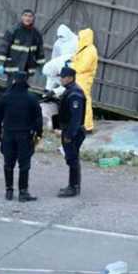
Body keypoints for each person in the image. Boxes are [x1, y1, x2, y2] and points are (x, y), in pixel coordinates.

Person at [0, 73, 42, 201]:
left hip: (8, 134)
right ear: (26, 81)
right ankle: (23, 192)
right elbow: (38, 119)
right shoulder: (32, 98)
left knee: (8, 163)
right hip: (25, 136)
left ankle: (9, 191)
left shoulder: (5, 97)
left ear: (14, 80)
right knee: (24, 165)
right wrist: (39, 134)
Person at [57, 67, 86, 197]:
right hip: (69, 130)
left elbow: (76, 118)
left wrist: (69, 134)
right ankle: (74, 185)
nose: (61, 79)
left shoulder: (75, 94)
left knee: (72, 159)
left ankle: (73, 187)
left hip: (73, 131)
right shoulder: (70, 91)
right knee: (71, 158)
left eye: (63, 77)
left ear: (70, 78)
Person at [0, 9, 46, 82]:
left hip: (27, 69)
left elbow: (40, 52)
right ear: (22, 17)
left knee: (21, 90)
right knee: (11, 89)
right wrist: (0, 64)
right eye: (25, 15)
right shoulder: (13, 30)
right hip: (13, 68)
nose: (27, 18)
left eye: (30, 16)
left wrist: (42, 67)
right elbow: (4, 48)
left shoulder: (36, 34)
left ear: (33, 18)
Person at [71, 28, 98, 133]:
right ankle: (80, 124)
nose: (78, 39)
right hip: (80, 79)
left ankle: (87, 126)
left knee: (84, 102)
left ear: (85, 38)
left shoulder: (90, 51)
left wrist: (72, 65)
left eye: (80, 37)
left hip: (84, 80)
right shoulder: (85, 48)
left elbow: (82, 67)